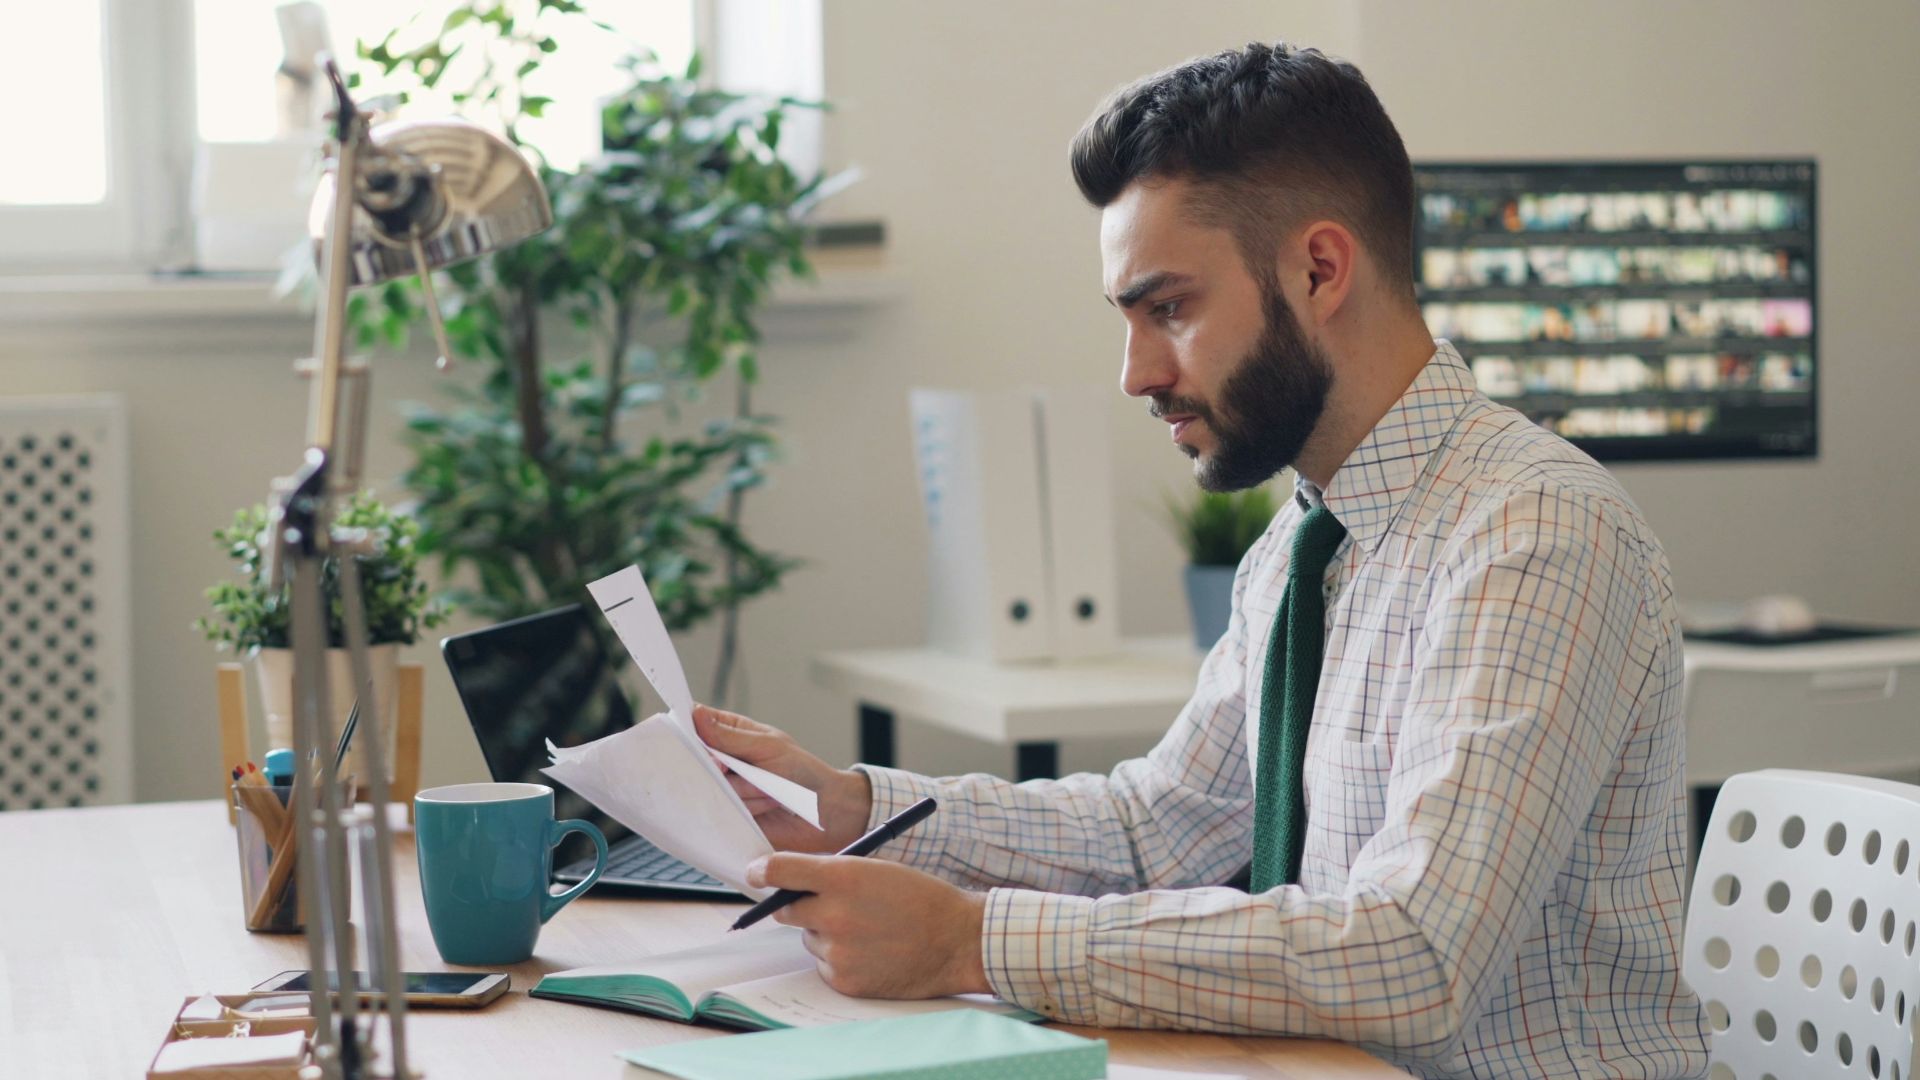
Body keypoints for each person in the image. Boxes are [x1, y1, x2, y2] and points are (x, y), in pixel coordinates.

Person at [691, 41, 1711, 1080]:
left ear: (1319, 270)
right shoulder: (1305, 544)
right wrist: (853, 808)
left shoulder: (1534, 534)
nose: (1136, 373)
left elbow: (1415, 957)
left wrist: (969, 940)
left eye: (1168, 308)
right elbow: (1153, 830)